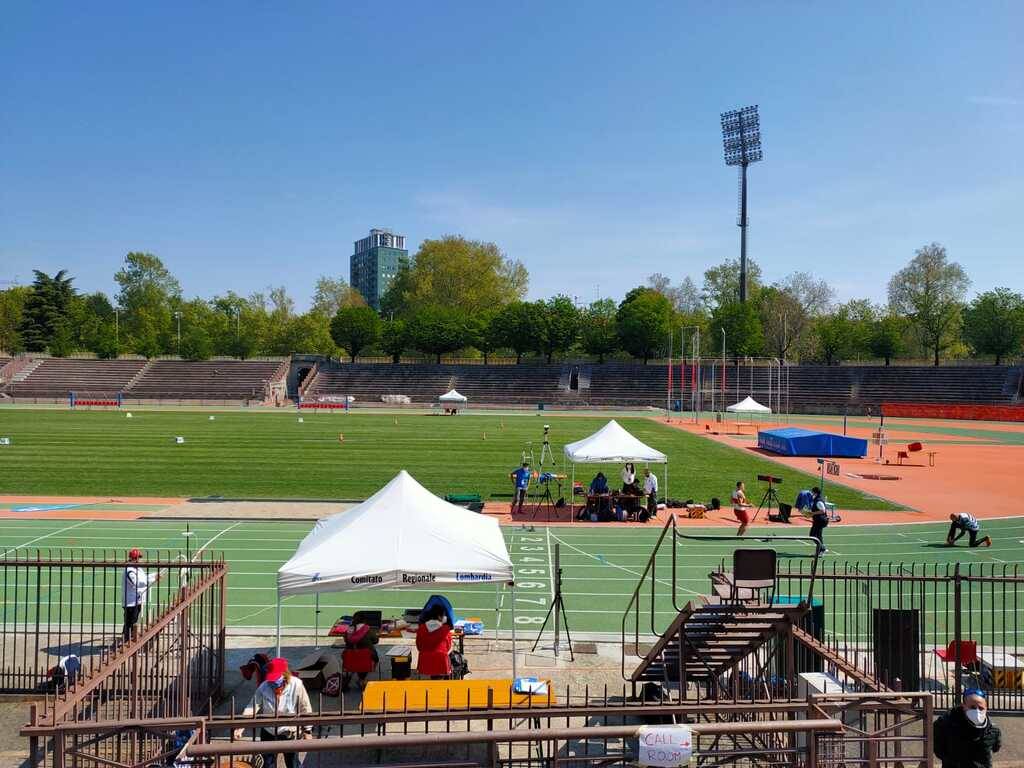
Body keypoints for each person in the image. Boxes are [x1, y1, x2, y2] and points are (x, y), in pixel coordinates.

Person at [234, 657, 312, 768]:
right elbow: (252, 707)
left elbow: (305, 707)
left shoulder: (297, 685)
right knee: (268, 764)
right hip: (269, 731)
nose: (273, 684)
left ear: (285, 675)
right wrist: (241, 726)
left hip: (289, 731)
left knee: (293, 764)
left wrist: (307, 731)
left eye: (276, 679)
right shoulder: (264, 687)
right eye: (271, 680)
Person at [934, 688, 1001, 768]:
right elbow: (938, 749)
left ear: (986, 708)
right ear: (963, 706)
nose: (977, 711)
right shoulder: (946, 725)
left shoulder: (993, 730)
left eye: (981, 708)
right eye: (972, 707)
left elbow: (995, 748)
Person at [122, 549, 160, 643]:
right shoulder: (129, 571)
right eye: (138, 558)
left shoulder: (137, 568)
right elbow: (137, 583)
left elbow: (144, 578)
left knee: (132, 621)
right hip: (130, 602)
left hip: (137, 600)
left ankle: (127, 638)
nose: (140, 560)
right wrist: (153, 579)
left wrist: (154, 575)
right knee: (130, 622)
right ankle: (127, 640)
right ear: (134, 558)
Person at [416, 604, 453, 679]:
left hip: (424, 663)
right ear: (440, 617)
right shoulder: (446, 629)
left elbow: (419, 646)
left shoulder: (421, 628)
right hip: (441, 664)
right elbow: (448, 647)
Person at [341, 621, 379, 691]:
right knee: (368, 656)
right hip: (365, 661)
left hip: (349, 661)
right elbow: (376, 640)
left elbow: (346, 641)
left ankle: (352, 675)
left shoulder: (348, 632)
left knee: (358, 657)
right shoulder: (368, 630)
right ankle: (361, 679)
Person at [808, 487, 829, 555]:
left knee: (813, 535)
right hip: (818, 520)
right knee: (818, 535)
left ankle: (822, 549)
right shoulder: (817, 499)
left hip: (820, 521)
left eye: (812, 492)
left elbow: (823, 511)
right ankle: (821, 550)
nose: (811, 493)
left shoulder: (818, 501)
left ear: (815, 493)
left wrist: (813, 513)